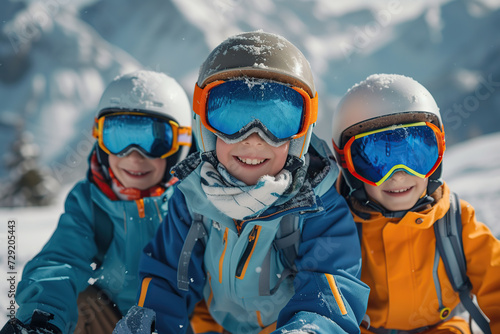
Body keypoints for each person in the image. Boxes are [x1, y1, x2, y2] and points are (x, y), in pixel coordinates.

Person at [113, 31, 370, 334]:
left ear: (301, 133)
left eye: (277, 121)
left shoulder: (318, 208)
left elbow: (329, 290)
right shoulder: (193, 199)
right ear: (204, 126)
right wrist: (152, 324)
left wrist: (309, 329)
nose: (253, 139)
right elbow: (169, 278)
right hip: (211, 324)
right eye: (231, 117)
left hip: (284, 326)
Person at [0, 70, 193, 334]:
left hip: (181, 321)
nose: (134, 156)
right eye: (119, 137)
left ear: (180, 144)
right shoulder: (90, 201)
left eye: (155, 140)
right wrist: (40, 318)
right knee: (79, 302)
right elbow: (60, 261)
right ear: (100, 139)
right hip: (112, 319)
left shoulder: (194, 202)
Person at [331, 73, 500, 334]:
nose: (398, 175)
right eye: (376, 160)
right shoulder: (335, 227)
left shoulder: (455, 223)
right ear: (348, 166)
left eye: (416, 155)